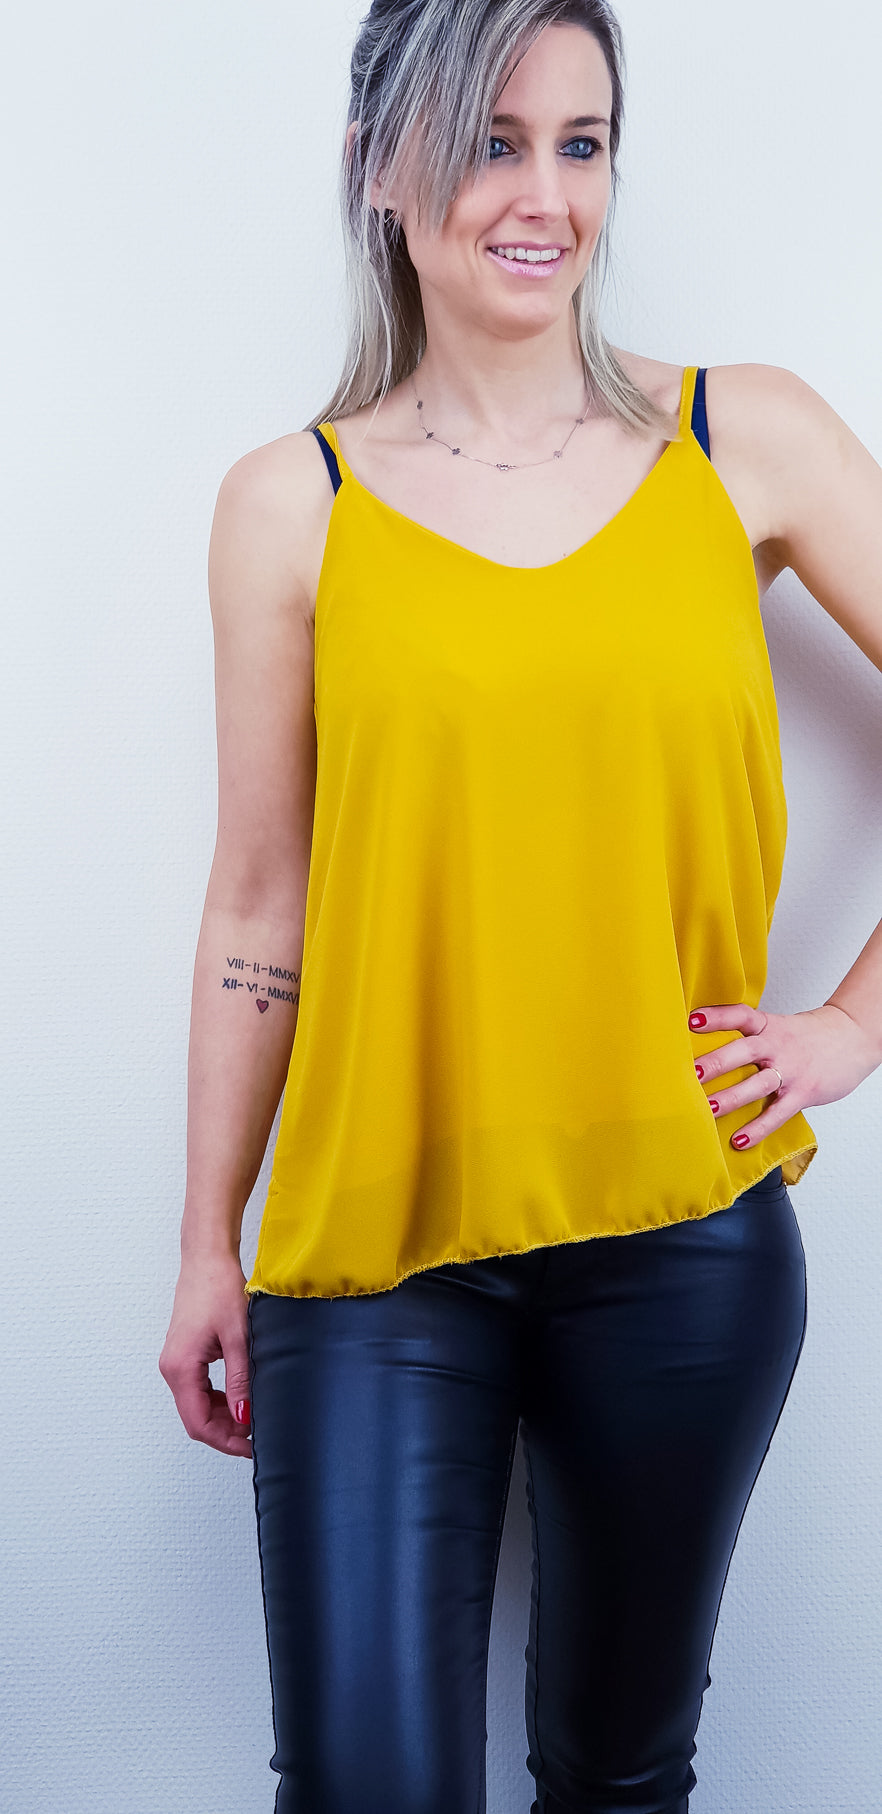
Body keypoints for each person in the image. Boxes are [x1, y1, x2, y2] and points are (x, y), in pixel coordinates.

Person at [159, 3, 882, 1809]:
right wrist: (203, 1241)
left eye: (581, 142)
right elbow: (260, 897)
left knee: (618, 1779)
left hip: (681, 1245)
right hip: (368, 1250)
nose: (542, 196)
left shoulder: (747, 437)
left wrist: (849, 1025)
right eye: (489, 142)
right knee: (366, 1785)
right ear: (378, 167)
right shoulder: (290, 504)